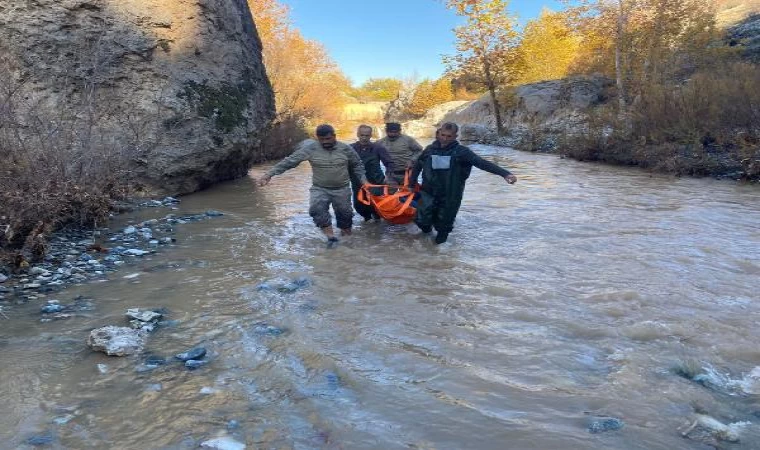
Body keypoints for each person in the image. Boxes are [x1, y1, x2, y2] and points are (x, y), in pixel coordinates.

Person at [258, 124, 367, 247]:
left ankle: (347, 240)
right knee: (316, 210)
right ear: (318, 138)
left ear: (334, 137)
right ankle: (331, 238)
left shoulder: (345, 149)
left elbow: (358, 165)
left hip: (341, 189)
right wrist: (269, 175)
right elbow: (289, 162)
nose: (325, 142)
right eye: (322, 139)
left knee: (345, 215)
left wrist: (364, 182)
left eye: (328, 139)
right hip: (319, 188)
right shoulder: (311, 149)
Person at [409, 122, 517, 244]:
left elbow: (481, 163)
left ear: (455, 136)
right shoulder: (429, 149)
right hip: (428, 192)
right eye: (443, 135)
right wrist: (411, 184)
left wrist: (505, 174)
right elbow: (418, 165)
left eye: (449, 136)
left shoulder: (462, 152)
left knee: (443, 227)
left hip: (450, 195)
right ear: (438, 133)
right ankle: (425, 241)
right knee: (421, 220)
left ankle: (438, 255)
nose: (445, 139)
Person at [350, 125, 395, 221]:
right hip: (358, 183)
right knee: (359, 206)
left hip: (376, 182)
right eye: (362, 135)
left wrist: (388, 176)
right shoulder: (350, 148)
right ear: (358, 134)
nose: (364, 138)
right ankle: (367, 225)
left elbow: (389, 163)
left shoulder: (378, 148)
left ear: (371, 135)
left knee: (376, 207)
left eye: (367, 135)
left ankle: (377, 226)